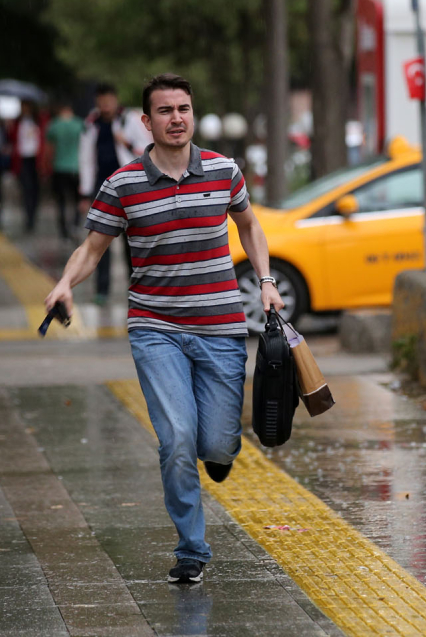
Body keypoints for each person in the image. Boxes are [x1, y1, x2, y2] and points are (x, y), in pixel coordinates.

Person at [45, 73, 284, 583]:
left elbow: (250, 226)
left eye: (184, 109)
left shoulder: (224, 171)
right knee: (176, 436)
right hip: (155, 328)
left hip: (221, 327)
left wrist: (265, 280)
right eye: (165, 111)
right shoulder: (123, 183)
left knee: (215, 445)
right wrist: (65, 283)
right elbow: (92, 248)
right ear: (146, 121)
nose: (177, 118)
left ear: (192, 114)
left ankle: (218, 452)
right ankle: (192, 550)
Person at [78, 84, 142, 303]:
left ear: (115, 100)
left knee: (131, 240)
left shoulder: (130, 120)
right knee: (100, 240)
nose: (105, 104)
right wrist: (85, 193)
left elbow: (146, 149)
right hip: (102, 188)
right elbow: (85, 159)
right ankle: (102, 290)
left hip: (128, 186)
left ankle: (136, 288)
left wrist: (127, 142)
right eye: (101, 100)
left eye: (109, 99)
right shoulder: (91, 124)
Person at [46, 101, 83, 241]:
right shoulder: (80, 124)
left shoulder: (54, 125)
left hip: (59, 167)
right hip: (76, 167)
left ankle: (63, 230)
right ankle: (75, 224)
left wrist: (47, 166)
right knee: (78, 199)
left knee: (61, 200)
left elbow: (49, 149)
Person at [12, 100, 43, 233]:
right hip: (23, 159)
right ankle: (28, 217)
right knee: (26, 189)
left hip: (35, 159)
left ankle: (33, 215)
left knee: (35, 190)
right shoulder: (17, 123)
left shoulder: (38, 121)